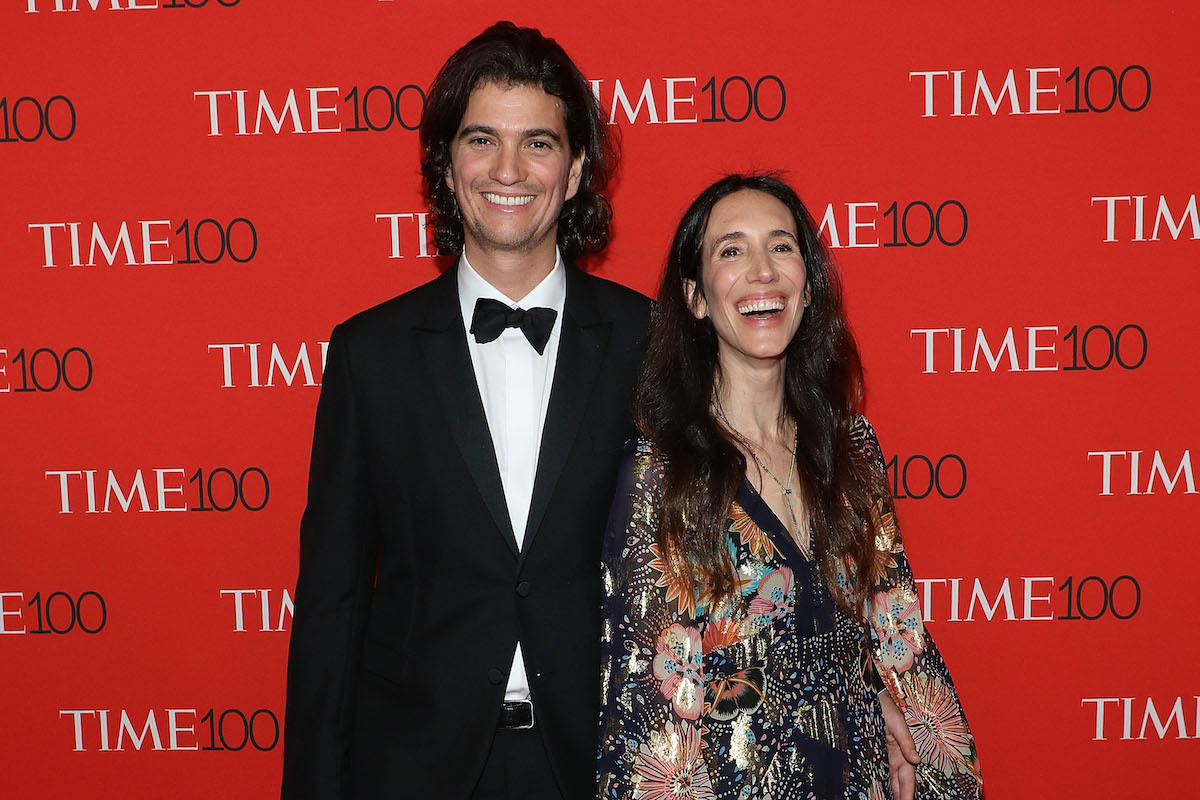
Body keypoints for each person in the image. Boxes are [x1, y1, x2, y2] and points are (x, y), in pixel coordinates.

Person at [281, 22, 651, 800]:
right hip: (414, 766)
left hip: (603, 761)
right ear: (447, 166)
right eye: (482, 140)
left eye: (538, 144)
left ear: (575, 170)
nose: (508, 170)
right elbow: (331, 603)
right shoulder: (370, 354)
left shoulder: (650, 343)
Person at [597, 174, 982, 799]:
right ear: (696, 298)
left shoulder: (850, 448)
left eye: (781, 246)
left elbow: (896, 631)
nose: (762, 271)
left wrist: (895, 711)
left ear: (807, 287)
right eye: (732, 250)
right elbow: (648, 701)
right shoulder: (661, 474)